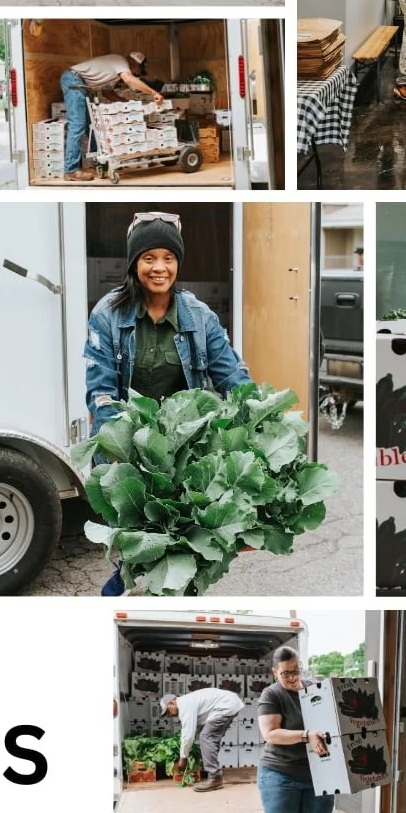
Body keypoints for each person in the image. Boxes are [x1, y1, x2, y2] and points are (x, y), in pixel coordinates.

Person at [85, 211, 251, 594]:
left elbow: (232, 376)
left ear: (178, 263)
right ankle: (117, 596)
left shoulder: (199, 316)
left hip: (182, 450)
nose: (159, 268)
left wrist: (255, 416)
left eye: (168, 258)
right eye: (148, 258)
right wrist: (121, 453)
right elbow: (102, 392)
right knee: (134, 547)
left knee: (184, 553)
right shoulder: (108, 315)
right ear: (134, 263)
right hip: (126, 449)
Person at [256, 647, 334, 813]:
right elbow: (270, 734)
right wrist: (306, 736)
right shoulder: (272, 694)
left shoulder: (316, 690)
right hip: (280, 772)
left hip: (319, 774)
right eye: (286, 673)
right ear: (275, 673)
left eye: (296, 670)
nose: (293, 677)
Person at [60, 52, 164, 181]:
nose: (137, 73)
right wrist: (154, 93)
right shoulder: (120, 62)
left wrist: (127, 105)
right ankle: (70, 170)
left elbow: (108, 93)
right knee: (77, 125)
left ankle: (100, 162)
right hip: (74, 80)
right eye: (138, 69)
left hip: (80, 84)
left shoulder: (116, 72)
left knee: (91, 125)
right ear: (134, 62)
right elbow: (130, 80)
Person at [159, 687, 243, 793]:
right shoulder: (188, 701)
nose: (169, 715)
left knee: (206, 738)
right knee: (210, 739)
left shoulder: (184, 705)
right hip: (229, 703)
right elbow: (196, 728)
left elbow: (188, 735)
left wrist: (183, 757)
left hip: (226, 704)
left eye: (168, 711)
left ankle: (215, 777)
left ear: (172, 702)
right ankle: (213, 773)